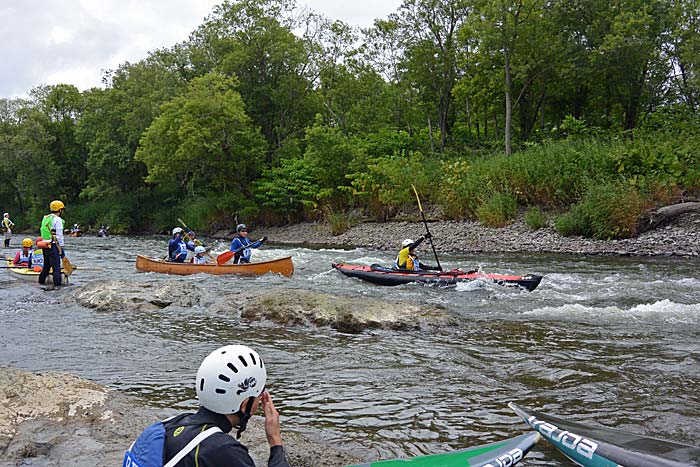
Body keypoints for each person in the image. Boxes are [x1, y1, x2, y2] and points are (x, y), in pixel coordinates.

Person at [123, 344, 289, 467]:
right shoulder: (224, 450)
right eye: (260, 395)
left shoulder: (172, 423)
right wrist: (275, 441)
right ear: (245, 404)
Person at [38, 200, 66, 286]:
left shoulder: (45, 217)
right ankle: (57, 288)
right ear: (60, 210)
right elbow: (59, 235)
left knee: (46, 267)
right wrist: (61, 247)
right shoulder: (58, 220)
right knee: (56, 269)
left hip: (45, 245)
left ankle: (40, 284)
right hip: (53, 246)